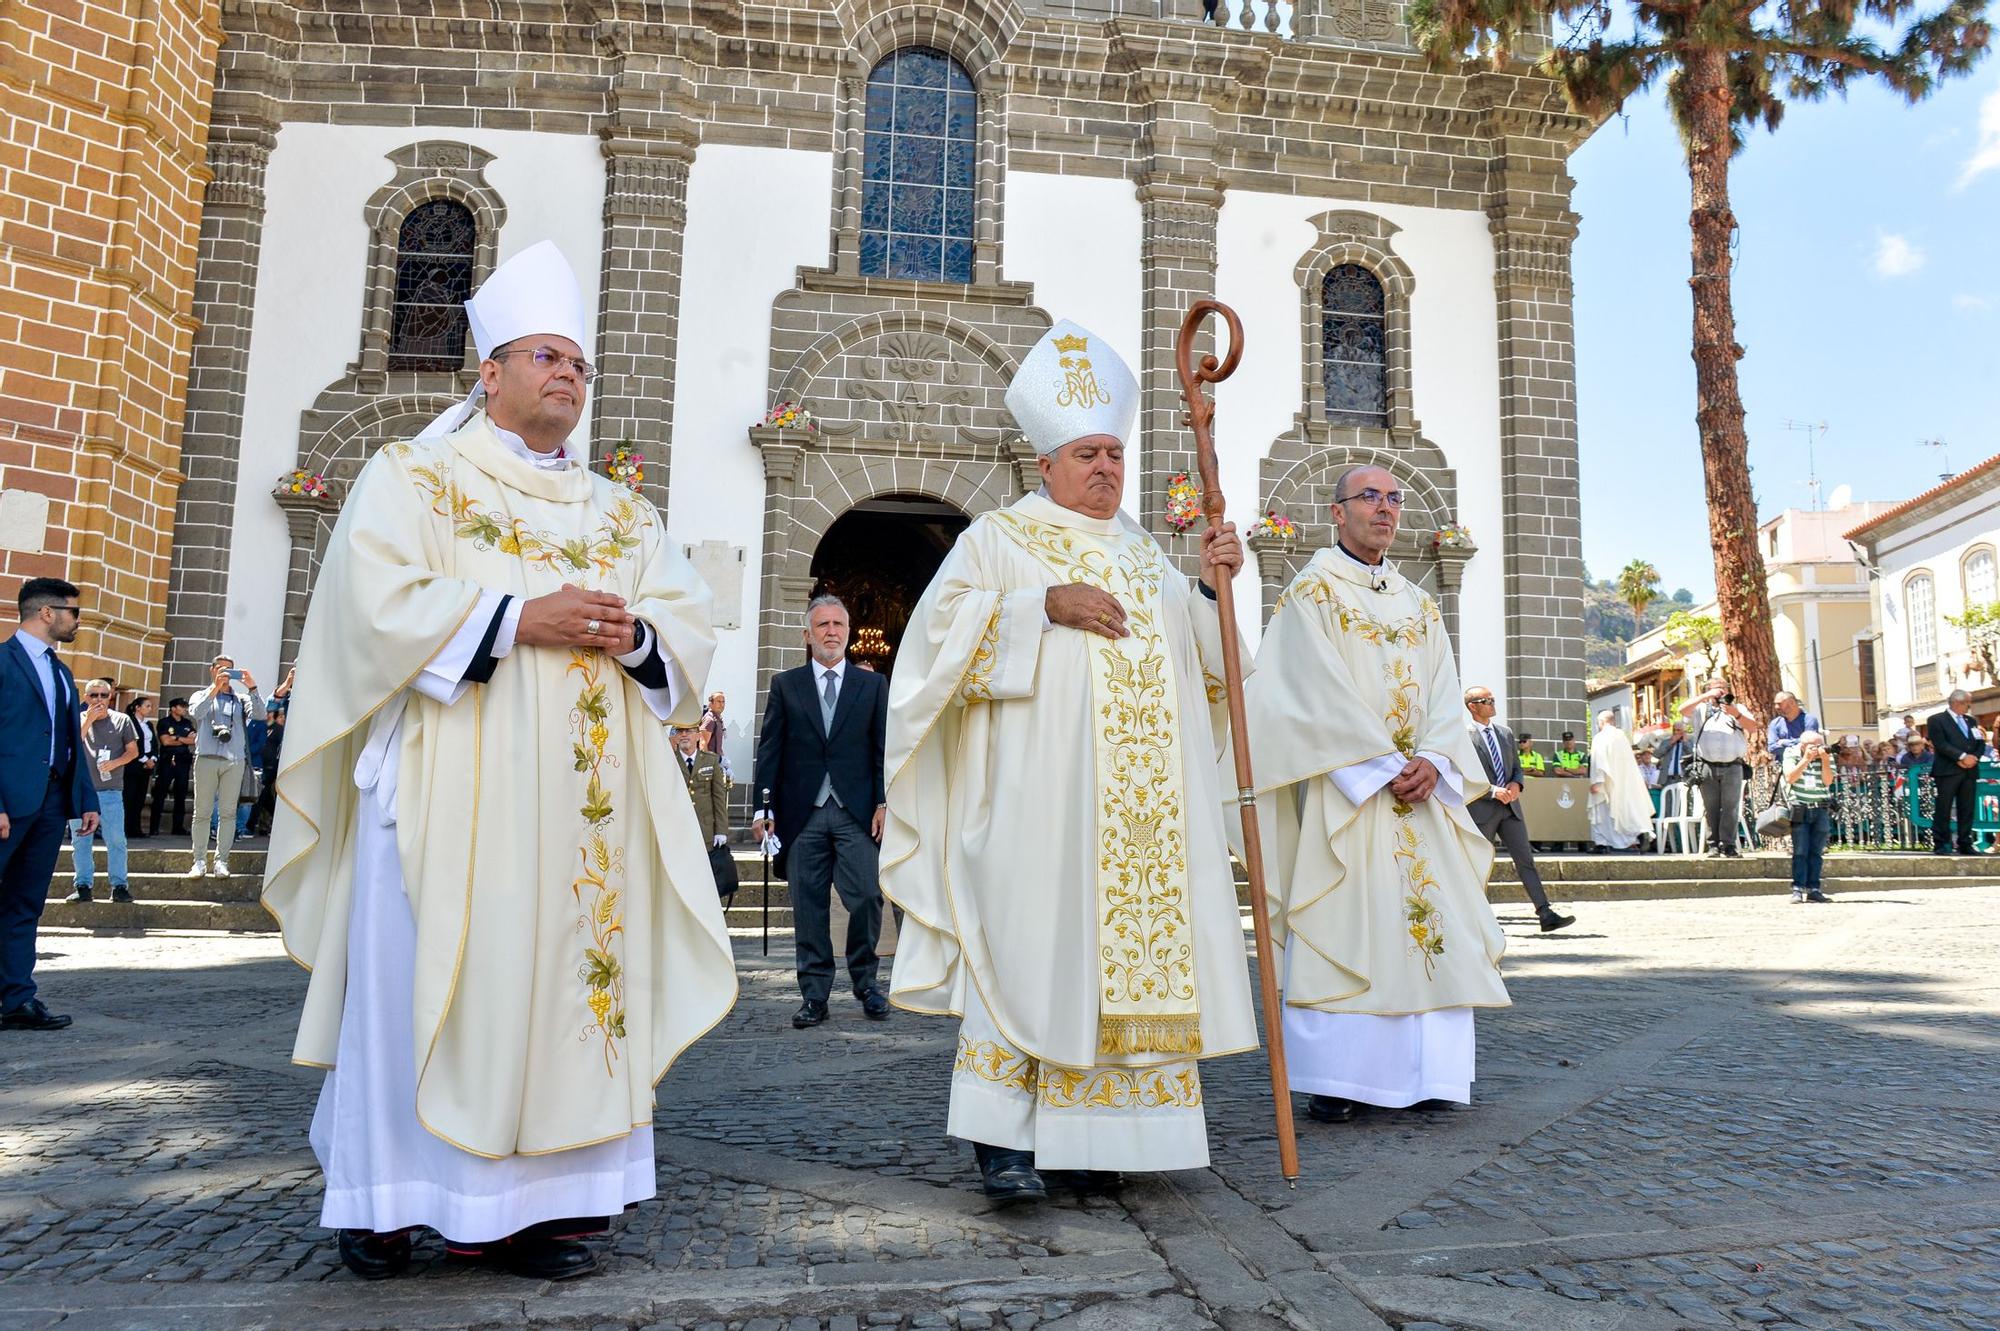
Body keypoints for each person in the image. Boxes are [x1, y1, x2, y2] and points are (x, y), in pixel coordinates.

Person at [261, 239, 736, 1282]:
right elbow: (365, 604)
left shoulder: (621, 510)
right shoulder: (415, 476)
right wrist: (522, 615)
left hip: (585, 817)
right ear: (490, 372)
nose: (568, 375)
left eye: (579, 364)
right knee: (417, 985)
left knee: (571, 993)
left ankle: (542, 1211)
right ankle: (385, 1201)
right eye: (546, 357)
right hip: (449, 789)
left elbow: (685, 622)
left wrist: (637, 637)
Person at [882, 319, 1256, 1200]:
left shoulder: (1145, 554)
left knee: (1112, 961)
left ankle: (1095, 1139)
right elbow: (932, 646)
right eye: (1087, 452)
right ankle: (1004, 1142)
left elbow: (1215, 666)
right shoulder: (998, 541)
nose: (1105, 469)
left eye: (1115, 453)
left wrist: (1212, 585)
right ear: (1046, 460)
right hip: (1033, 811)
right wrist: (1039, 603)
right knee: (1024, 957)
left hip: (1141, 823)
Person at [1245, 462, 1507, 1127]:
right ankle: (1340, 1076)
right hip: (1351, 798)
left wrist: (1436, 761)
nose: (1385, 508)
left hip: (1420, 797)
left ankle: (1428, 1074)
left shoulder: (1420, 603)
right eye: (1370, 497)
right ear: (1338, 512)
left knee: (1427, 925)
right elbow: (1307, 692)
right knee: (1350, 920)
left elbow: (1447, 694)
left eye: (1393, 499)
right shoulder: (1311, 594)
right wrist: (1380, 766)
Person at [752, 595, 890, 1029]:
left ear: (848, 632)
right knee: (808, 906)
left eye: (839, 624)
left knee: (868, 895)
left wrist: (886, 801)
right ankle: (814, 995)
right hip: (802, 814)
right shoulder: (785, 685)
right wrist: (763, 808)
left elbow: (883, 750)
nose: (832, 631)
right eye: (823, 624)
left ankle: (866, 982)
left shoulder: (872, 686)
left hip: (857, 812)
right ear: (807, 635)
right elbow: (770, 751)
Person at [1, 577, 97, 1031]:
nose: (77, 620)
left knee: (25, 903)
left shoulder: (61, 671)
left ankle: (16, 999)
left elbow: (67, 743)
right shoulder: (2, 662)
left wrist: (85, 799)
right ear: (46, 612)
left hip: (50, 805)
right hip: (8, 804)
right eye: (73, 612)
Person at [1462, 686, 1574, 932]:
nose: (1492, 703)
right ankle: (1481, 920)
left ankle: (1545, 913)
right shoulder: (1463, 736)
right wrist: (1492, 791)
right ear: (1472, 706)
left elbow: (1516, 768)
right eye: (1485, 700)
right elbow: (1462, 775)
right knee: (1479, 864)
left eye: (1492, 699)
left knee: (1526, 860)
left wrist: (1516, 784)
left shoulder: (1505, 733)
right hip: (1482, 809)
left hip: (1511, 807)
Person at [185, 654, 265, 877]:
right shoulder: (201, 695)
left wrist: (253, 688)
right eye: (220, 669)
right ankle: (199, 860)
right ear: (212, 670)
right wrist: (214, 690)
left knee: (228, 813)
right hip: (206, 758)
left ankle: (222, 860)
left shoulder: (240, 699)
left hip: (234, 761)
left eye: (229, 670)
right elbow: (196, 713)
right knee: (201, 812)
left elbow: (259, 714)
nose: (225, 673)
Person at [65, 679, 140, 904]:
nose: (99, 699)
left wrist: (115, 763)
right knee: (81, 842)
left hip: (110, 790)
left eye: (103, 695)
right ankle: (83, 885)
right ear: (86, 698)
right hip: (81, 791)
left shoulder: (122, 720)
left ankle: (119, 886)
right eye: (94, 695)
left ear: (111, 697)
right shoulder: (77, 720)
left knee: (116, 840)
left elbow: (133, 751)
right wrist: (88, 720)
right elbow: (71, 747)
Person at [1680, 676, 1755, 858]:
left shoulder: (1738, 709)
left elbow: (1753, 727)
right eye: (1717, 688)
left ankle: (1729, 844)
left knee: (1731, 807)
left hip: (1733, 765)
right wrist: (1705, 696)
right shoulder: (1701, 709)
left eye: (1724, 688)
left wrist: (1734, 712)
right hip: (1707, 765)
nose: (1721, 692)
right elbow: (1683, 709)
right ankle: (1713, 844)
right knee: (1711, 806)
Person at [672, 723, 733, 897]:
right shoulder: (669, 760)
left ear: (698, 735)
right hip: (678, 831)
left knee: (704, 881)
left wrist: (721, 830)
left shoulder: (710, 760)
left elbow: (718, 797)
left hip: (705, 832)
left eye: (689, 731)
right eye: (680, 731)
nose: (684, 735)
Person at [1926, 689, 1985, 856]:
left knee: (1967, 808)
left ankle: (1965, 842)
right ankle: (1942, 843)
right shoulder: (1936, 720)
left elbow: (1980, 742)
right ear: (1958, 702)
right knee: (1944, 807)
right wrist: (1961, 756)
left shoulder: (1971, 721)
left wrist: (1974, 757)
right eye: (1967, 703)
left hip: (1969, 770)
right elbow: (1940, 743)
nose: (1969, 706)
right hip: (1948, 770)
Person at [1588, 711, 1653, 852]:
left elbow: (1598, 761)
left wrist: (1597, 782)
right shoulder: (1622, 736)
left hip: (1606, 780)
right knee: (1623, 811)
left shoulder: (1599, 738)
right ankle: (1640, 833)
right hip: (1624, 780)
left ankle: (1601, 844)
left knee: (1602, 812)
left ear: (1601, 722)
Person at [1782, 729, 1835, 903]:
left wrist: (1825, 760)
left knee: (1816, 851)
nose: (1818, 749)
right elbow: (1790, 777)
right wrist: (1806, 759)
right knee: (1800, 851)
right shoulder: (1791, 753)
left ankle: (1814, 888)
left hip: (1820, 807)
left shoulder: (1826, 755)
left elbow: (1828, 781)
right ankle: (1797, 888)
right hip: (1800, 807)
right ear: (1803, 745)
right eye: (1814, 746)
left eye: (1820, 745)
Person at [249, 676, 291, 836]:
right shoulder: (258, 724)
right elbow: (273, 701)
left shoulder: (279, 728)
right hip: (264, 762)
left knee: (264, 795)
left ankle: (263, 823)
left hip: (273, 763)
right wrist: (287, 684)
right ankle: (258, 824)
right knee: (263, 795)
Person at [151, 697, 194, 836]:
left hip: (183, 761)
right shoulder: (164, 722)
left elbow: (194, 740)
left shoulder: (187, 723)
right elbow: (165, 742)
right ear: (173, 708)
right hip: (167, 761)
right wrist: (183, 739)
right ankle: (154, 827)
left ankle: (178, 827)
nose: (185, 709)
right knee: (160, 793)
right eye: (182, 706)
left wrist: (177, 738)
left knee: (181, 795)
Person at [123, 695, 157, 838]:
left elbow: (153, 743)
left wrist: (153, 758)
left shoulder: (148, 724)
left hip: (147, 765)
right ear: (138, 707)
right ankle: (125, 828)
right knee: (129, 797)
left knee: (140, 798)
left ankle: (135, 829)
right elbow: (132, 743)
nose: (150, 709)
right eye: (147, 706)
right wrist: (143, 759)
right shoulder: (130, 722)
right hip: (134, 764)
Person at [1766, 691, 1820, 764]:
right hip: (1783, 766)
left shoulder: (1809, 720)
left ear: (1792, 703)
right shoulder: (1775, 723)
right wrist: (1798, 743)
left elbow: (1810, 743)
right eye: (1775, 704)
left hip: (1806, 765)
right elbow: (1772, 747)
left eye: (1779, 704)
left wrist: (1784, 742)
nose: (1776, 707)